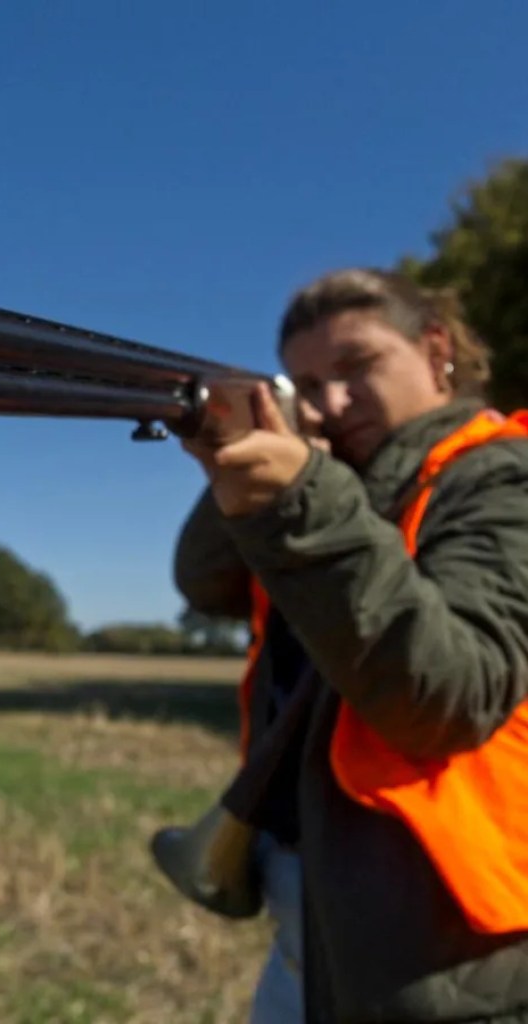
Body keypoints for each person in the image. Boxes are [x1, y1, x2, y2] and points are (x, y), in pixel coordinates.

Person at [173, 268, 528, 1023]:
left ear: (436, 352)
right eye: (308, 385)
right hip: (319, 903)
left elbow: (451, 695)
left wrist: (301, 495)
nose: (332, 403)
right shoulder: (345, 480)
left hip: (449, 944)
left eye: (357, 367)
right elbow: (205, 582)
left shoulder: (503, 476)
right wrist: (245, 457)